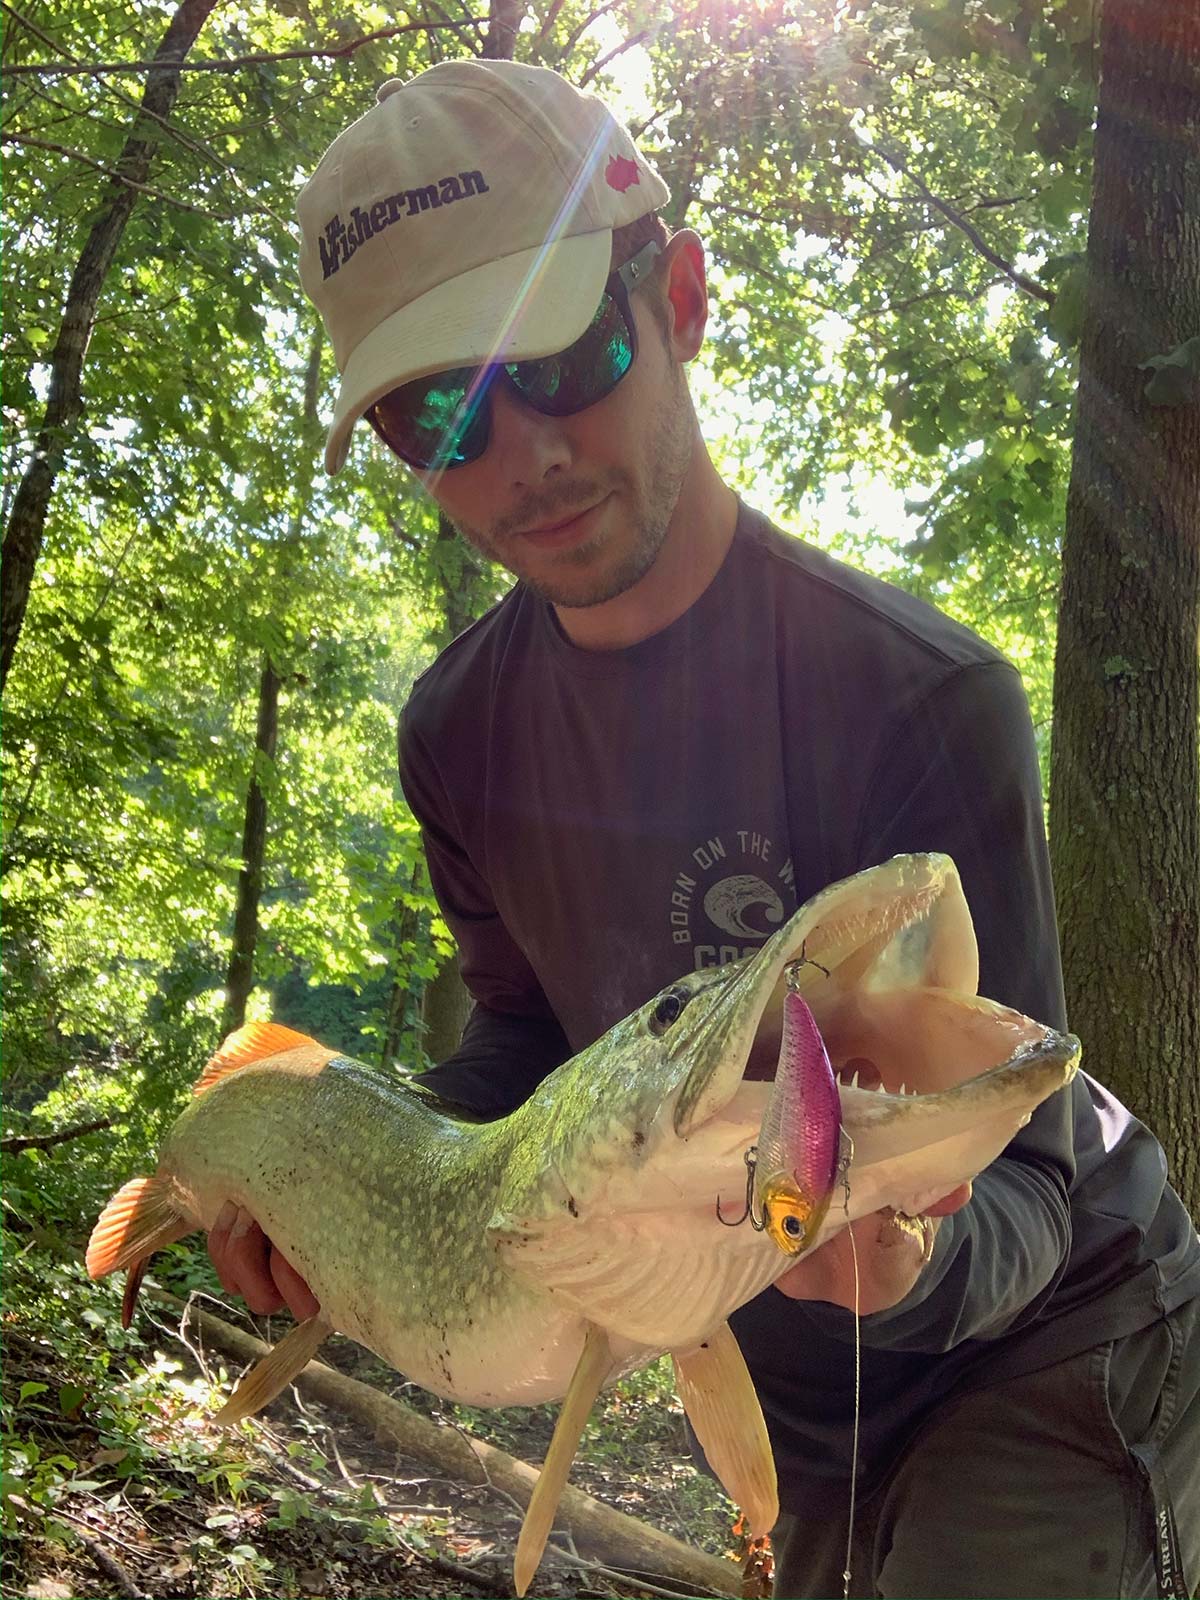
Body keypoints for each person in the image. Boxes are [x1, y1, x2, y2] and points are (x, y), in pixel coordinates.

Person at [208, 60, 1200, 1597]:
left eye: (566, 353)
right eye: (441, 412)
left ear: (678, 299)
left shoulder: (922, 698)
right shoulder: (457, 734)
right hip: (783, 1361)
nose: (521, 451)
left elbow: (1033, 1177)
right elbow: (525, 1043)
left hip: (1057, 1345)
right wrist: (359, 1188)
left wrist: (898, 1259)